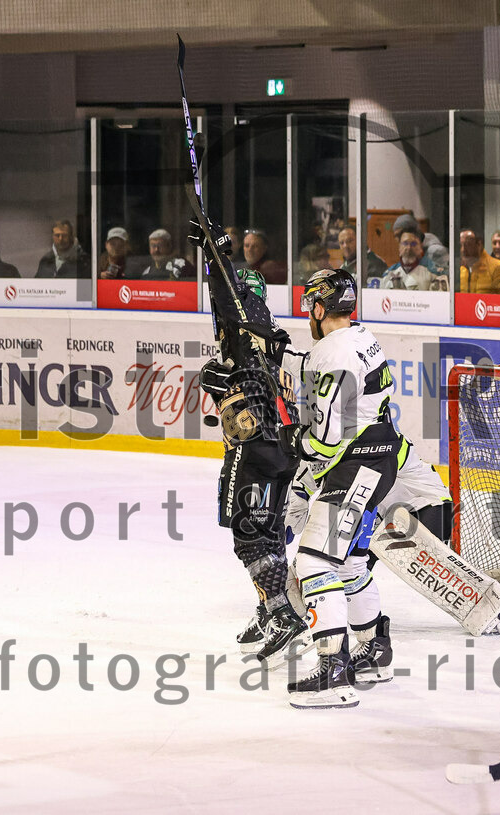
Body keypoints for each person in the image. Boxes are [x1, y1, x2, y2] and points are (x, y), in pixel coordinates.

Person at [277, 268, 400, 709]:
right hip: (378, 460)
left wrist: (291, 441)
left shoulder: (333, 353)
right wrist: (281, 352)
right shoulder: (361, 337)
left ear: (318, 306)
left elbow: (324, 439)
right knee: (346, 561)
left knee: (312, 561)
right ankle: (374, 651)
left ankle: (333, 673)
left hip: (356, 468)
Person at [193, 233, 311, 668]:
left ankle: (281, 613)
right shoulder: (271, 337)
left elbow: (226, 300)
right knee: (269, 530)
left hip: (256, 448)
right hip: (282, 448)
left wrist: (213, 254)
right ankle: (271, 608)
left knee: (248, 532)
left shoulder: (246, 334)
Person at [379, 229, 448, 291]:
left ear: (420, 247)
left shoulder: (433, 273)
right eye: (405, 243)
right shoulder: (389, 274)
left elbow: (438, 302)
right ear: (399, 246)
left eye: (413, 244)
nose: (409, 247)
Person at [458, 229, 500, 294]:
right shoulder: (461, 270)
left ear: (479, 245)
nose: (463, 250)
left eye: (468, 245)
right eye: (461, 245)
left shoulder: (499, 268)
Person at [131, 228, 196, 280]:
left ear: (169, 246)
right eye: (153, 246)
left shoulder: (181, 265)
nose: (156, 250)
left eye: (160, 245)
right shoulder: (147, 272)